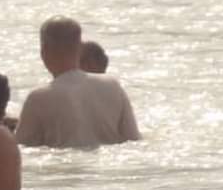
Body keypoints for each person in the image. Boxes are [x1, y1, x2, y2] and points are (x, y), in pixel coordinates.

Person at [14, 15, 141, 148]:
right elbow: (133, 140)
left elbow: (21, 149)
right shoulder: (112, 85)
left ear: (43, 50)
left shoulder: (38, 97)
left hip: (66, 166)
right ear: (80, 47)